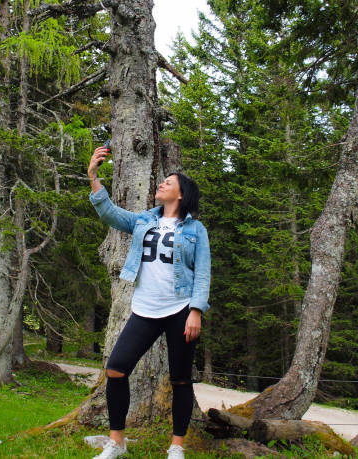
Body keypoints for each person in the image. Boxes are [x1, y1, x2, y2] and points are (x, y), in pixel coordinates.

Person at [87, 144, 211, 459]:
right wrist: (93, 176)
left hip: (181, 310)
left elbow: (203, 274)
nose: (161, 185)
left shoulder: (196, 230)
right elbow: (109, 213)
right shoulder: (144, 221)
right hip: (144, 310)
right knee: (116, 369)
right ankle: (116, 443)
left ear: (181, 194)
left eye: (168, 182)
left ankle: (176, 447)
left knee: (181, 379)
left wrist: (195, 311)